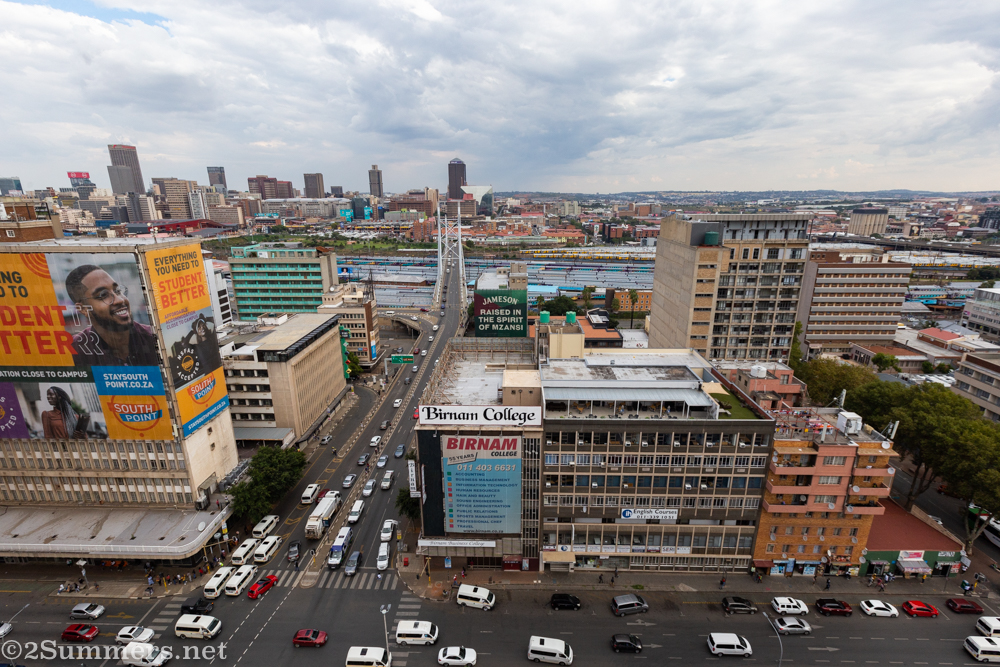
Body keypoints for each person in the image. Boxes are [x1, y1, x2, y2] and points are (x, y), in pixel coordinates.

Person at [65, 265, 159, 367]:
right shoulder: (73, 353)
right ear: (83, 309)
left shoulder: (156, 340)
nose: (120, 300)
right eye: (103, 295)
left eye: (117, 291)